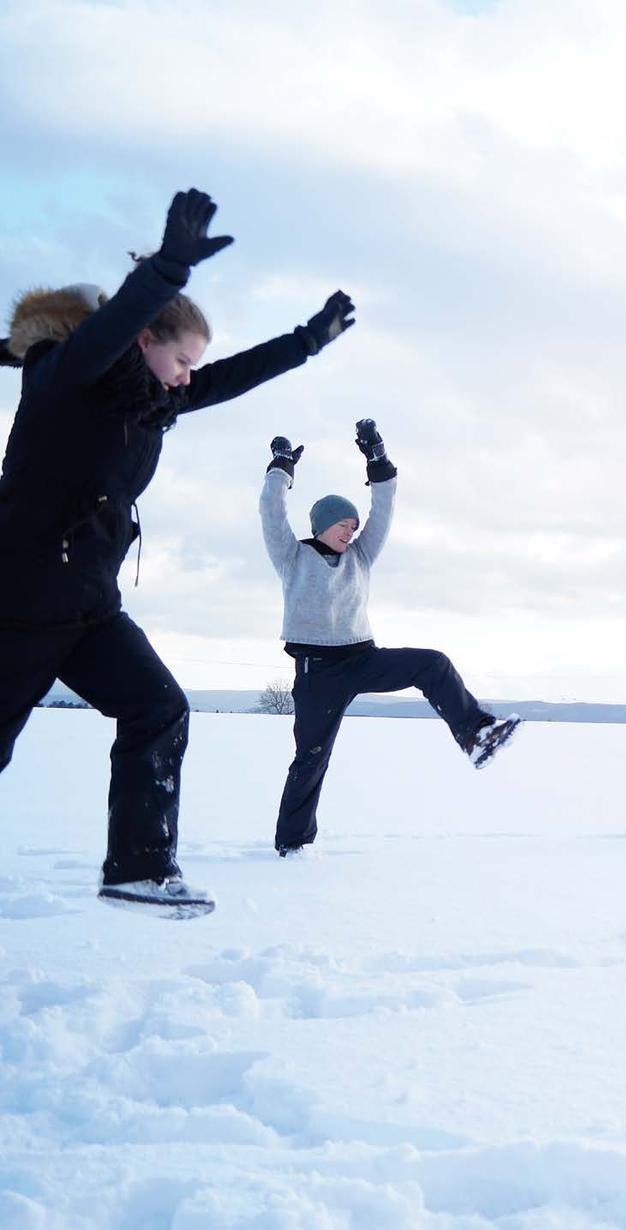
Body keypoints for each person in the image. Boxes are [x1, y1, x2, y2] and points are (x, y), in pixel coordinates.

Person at [0, 188, 356, 917]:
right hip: (17, 604)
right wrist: (165, 272)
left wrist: (306, 342)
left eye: (194, 363)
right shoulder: (62, 378)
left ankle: (138, 869)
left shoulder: (149, 404)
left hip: (89, 608)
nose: (191, 373)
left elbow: (225, 381)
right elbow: (102, 339)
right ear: (140, 341)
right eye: (182, 358)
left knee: (159, 707)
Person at [260, 422, 521, 856]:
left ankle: (477, 734)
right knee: (311, 758)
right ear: (322, 525)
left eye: (353, 525)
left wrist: (377, 460)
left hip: (362, 658)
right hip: (317, 672)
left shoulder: (361, 555)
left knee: (432, 663)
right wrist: (281, 468)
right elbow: (271, 509)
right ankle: (292, 844)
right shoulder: (292, 556)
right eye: (343, 524)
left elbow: (384, 505)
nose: (351, 531)